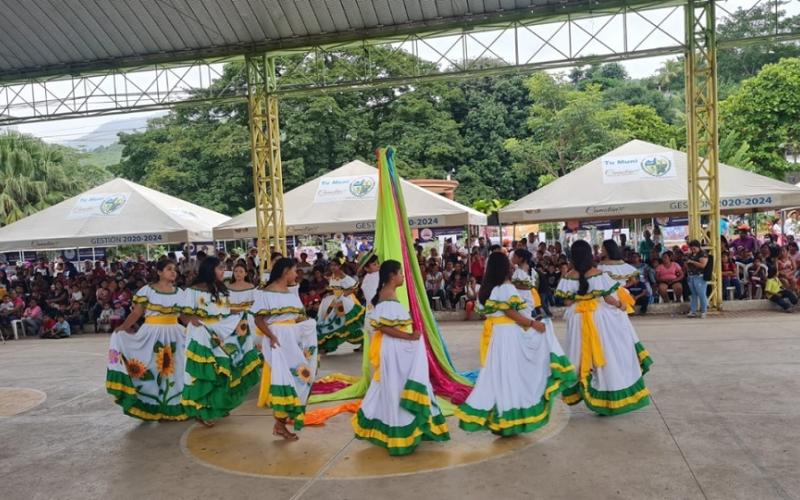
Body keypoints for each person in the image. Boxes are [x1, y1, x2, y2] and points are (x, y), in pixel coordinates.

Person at [456, 252, 575, 435]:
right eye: (508, 265)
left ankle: (502, 418)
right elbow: (511, 313)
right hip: (508, 335)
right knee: (512, 375)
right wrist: (533, 324)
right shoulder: (505, 288)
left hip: (496, 335)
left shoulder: (487, 289)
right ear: (502, 268)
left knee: (499, 376)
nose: (512, 267)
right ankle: (509, 418)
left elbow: (489, 312)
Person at [353, 260, 450, 455]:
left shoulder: (387, 295)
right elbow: (384, 327)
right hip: (394, 349)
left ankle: (401, 427)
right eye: (400, 274)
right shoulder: (387, 297)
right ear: (392, 276)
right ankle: (401, 431)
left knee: (392, 386)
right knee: (398, 386)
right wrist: (410, 337)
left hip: (395, 348)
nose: (403, 277)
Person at [555, 240, 652, 415]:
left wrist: (581, 298)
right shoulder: (599, 274)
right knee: (608, 354)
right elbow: (608, 299)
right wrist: (620, 305)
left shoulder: (568, 276)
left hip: (577, 319)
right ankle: (609, 393)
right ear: (588, 255)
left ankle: (584, 385)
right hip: (599, 318)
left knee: (579, 355)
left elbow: (567, 301)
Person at [181, 257, 261, 426]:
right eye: (220, 268)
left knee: (221, 370)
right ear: (210, 269)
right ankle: (201, 411)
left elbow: (223, 309)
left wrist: (241, 311)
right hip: (200, 334)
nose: (223, 272)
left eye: (223, 268)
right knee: (205, 373)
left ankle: (216, 405)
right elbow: (183, 314)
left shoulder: (221, 288)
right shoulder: (192, 291)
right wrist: (192, 320)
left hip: (220, 331)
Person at [105, 259, 188, 421]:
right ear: (159, 272)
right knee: (151, 369)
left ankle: (172, 406)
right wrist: (123, 327)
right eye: (169, 269)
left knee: (175, 371)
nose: (173, 272)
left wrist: (198, 328)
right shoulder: (147, 291)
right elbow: (136, 314)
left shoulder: (180, 293)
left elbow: (184, 316)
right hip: (151, 334)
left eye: (175, 269)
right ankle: (152, 406)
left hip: (175, 334)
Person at [251, 258, 317, 440]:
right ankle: (279, 424)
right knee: (285, 379)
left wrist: (307, 326)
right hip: (278, 340)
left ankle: (280, 423)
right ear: (285, 271)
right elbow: (258, 319)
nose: (297, 274)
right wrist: (272, 337)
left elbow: (296, 317)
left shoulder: (290, 292)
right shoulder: (266, 293)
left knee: (300, 377)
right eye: (294, 271)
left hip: (292, 339)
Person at [316, 259, 365, 354]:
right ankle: (326, 346)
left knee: (346, 325)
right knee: (329, 323)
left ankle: (363, 342)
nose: (332, 267)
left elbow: (354, 288)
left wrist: (343, 295)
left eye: (335, 265)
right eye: (331, 265)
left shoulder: (343, 276)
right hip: (334, 302)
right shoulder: (333, 277)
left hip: (345, 304)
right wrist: (330, 295)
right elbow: (334, 289)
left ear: (340, 266)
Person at [597, 239, 639, 314]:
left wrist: (619, 287)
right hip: (604, 296)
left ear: (608, 249)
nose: (601, 249)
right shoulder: (601, 263)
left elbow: (633, 280)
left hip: (613, 295)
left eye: (602, 247)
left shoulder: (620, 264)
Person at [685, 240, 709, 318]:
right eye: (691, 248)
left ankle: (704, 311)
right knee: (693, 295)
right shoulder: (691, 254)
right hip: (691, 276)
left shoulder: (703, 254)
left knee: (701, 294)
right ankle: (693, 311)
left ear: (698, 247)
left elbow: (703, 265)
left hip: (700, 276)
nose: (693, 250)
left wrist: (692, 262)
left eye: (694, 248)